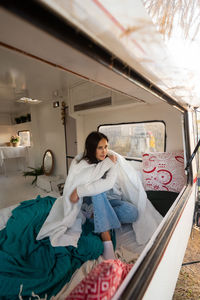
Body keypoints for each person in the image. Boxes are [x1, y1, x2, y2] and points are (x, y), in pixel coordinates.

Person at [69, 131, 138, 259]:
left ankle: (100, 216)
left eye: (106, 147)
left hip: (109, 202)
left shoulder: (110, 160)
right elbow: (97, 185)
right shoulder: (84, 164)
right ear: (92, 148)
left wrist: (79, 190)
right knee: (97, 190)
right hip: (91, 202)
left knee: (132, 212)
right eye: (100, 148)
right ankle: (107, 241)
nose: (104, 151)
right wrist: (78, 191)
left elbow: (109, 183)